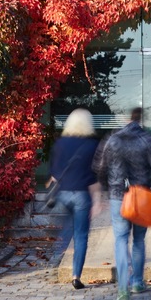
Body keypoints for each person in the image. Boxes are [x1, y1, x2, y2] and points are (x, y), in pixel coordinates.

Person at [93, 107, 151, 300]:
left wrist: (107, 188)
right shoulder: (147, 139)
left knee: (121, 240)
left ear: (126, 120)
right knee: (139, 240)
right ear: (140, 121)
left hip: (117, 196)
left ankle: (123, 287)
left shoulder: (112, 139)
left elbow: (99, 167)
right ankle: (137, 282)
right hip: (142, 196)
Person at [48, 108, 102, 290]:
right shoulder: (92, 145)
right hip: (81, 196)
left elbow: (54, 174)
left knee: (67, 229)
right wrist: (97, 200)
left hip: (63, 194)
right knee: (81, 236)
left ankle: (58, 252)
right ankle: (76, 275)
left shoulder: (60, 144)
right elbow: (93, 176)